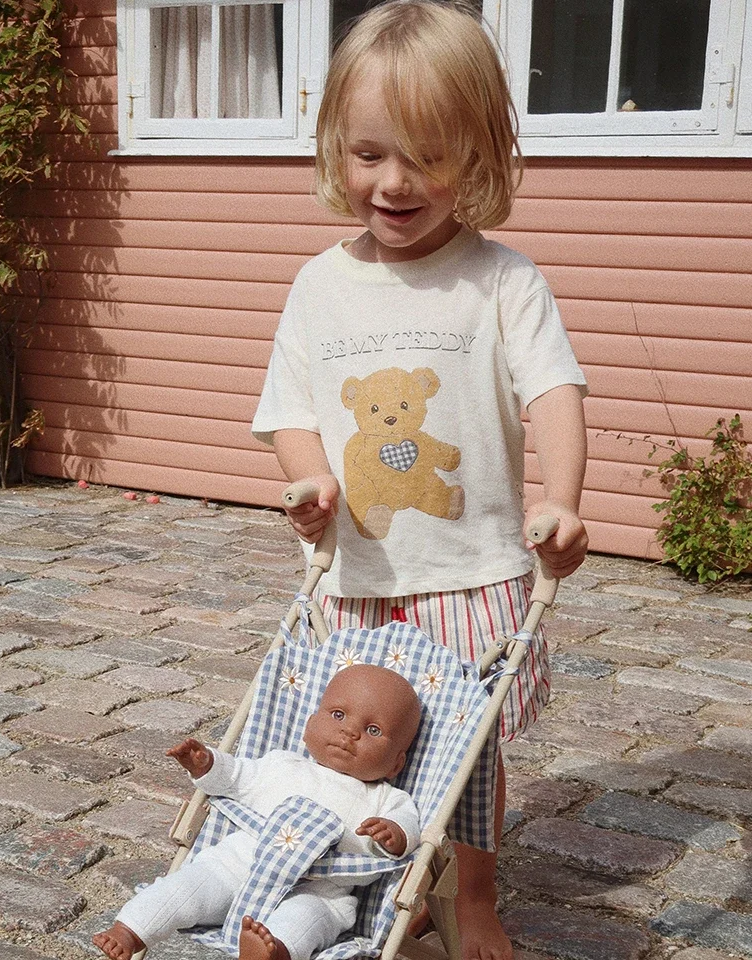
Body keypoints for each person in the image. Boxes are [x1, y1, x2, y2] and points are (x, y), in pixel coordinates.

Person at [250, 3, 589, 958]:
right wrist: (311, 482)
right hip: (360, 577)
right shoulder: (319, 286)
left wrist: (559, 497)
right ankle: (366, 880)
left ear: (479, 155)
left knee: (468, 750)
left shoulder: (501, 281)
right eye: (368, 155)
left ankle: (470, 893)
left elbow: (554, 391)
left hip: (474, 570)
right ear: (334, 150)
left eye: (427, 156)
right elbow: (294, 410)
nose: (393, 183)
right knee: (360, 741)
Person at [93, 664, 423, 960]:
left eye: (374, 730)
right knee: (186, 886)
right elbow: (236, 776)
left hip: (319, 890)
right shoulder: (282, 766)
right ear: (309, 726)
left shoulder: (386, 798)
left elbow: (408, 828)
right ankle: (130, 930)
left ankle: (274, 951)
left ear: (396, 764)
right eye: (338, 715)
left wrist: (395, 833)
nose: (350, 732)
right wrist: (207, 764)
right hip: (238, 866)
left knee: (307, 919)